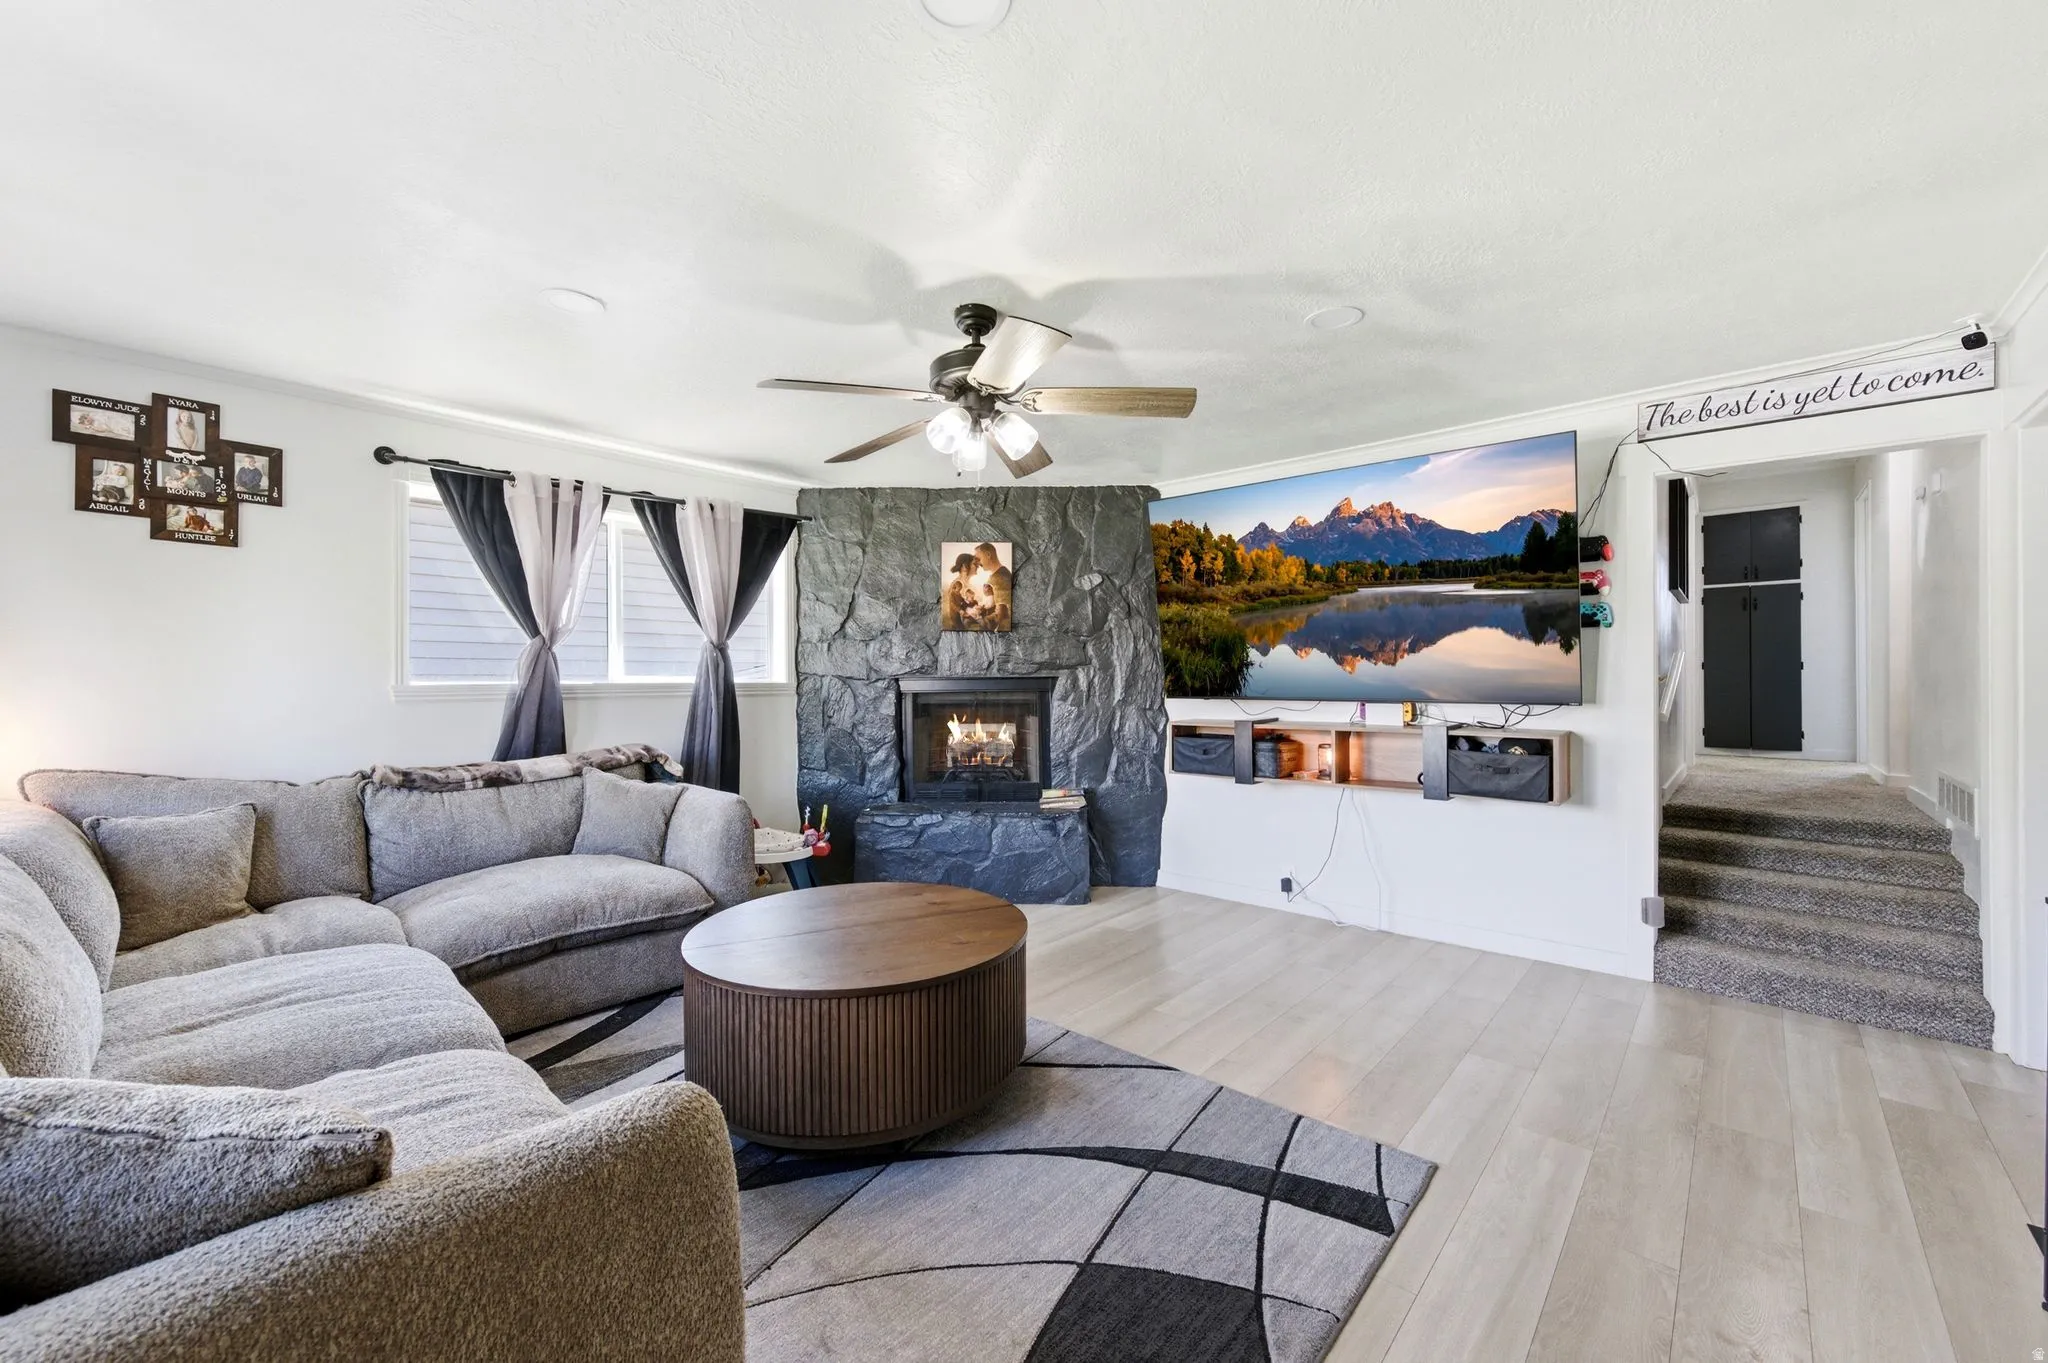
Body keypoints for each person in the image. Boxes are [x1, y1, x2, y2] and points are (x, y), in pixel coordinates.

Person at [973, 542, 1013, 630]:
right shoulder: (998, 575)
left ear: (988, 555)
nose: (978, 563)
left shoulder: (1000, 577)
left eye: (979, 559)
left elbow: (1001, 615)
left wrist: (981, 621)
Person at [943, 552, 981, 629]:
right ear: (964, 566)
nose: (978, 566)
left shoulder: (968, 584)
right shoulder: (957, 585)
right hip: (960, 623)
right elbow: (953, 605)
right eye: (974, 564)